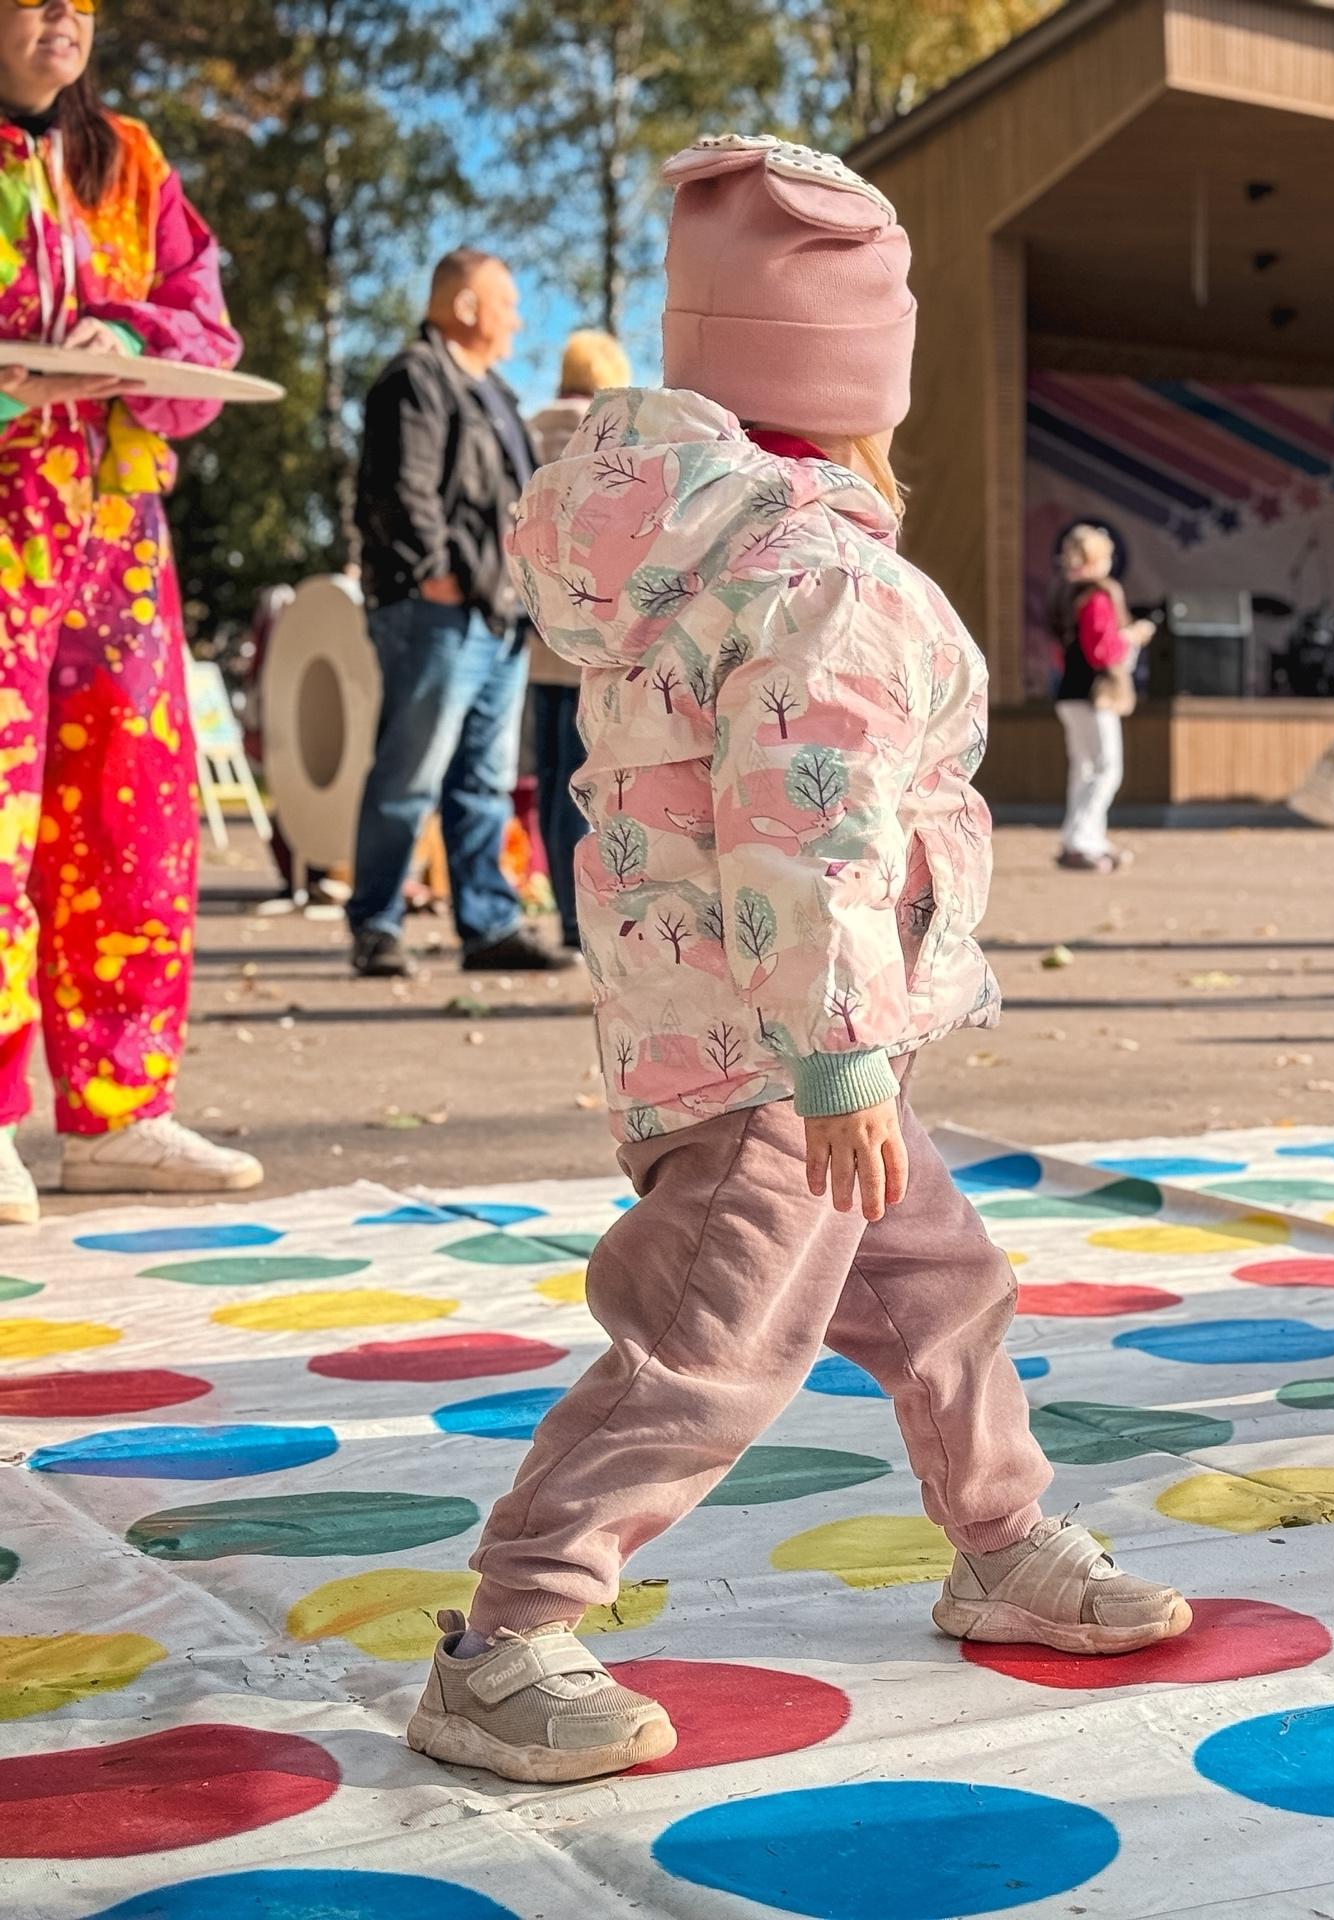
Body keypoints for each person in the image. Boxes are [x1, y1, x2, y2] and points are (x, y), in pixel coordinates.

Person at [410, 135, 1189, 1787]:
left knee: (941, 1294)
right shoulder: (816, 570)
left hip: (754, 1035)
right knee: (708, 1343)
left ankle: (1000, 1541)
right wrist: (838, 1057)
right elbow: (804, 825)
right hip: (784, 1065)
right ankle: (511, 1633)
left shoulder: (678, 546)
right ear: (854, 383)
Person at [0, 1, 261, 1220]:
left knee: (132, 809)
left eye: (81, 0)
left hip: (115, 529)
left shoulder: (130, 160)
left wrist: (127, 333)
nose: (63, 13)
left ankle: (117, 1110)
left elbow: (206, 329)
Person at [347, 247, 569, 979]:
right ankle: (376, 924)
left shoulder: (495, 392)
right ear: (468, 307)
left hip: (495, 615)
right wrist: (434, 576)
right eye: (506, 303)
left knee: (483, 780)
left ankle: (488, 923)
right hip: (436, 613)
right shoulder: (416, 377)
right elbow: (399, 489)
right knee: (410, 773)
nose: (518, 318)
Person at [522, 328, 632, 949]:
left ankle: (562, 911)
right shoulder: (609, 436)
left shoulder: (527, 433)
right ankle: (587, 916)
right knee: (595, 782)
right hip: (598, 637)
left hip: (540, 640)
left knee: (550, 779)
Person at [1049, 522, 1151, 873]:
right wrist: (1133, 637)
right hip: (1096, 694)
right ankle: (1082, 839)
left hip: (1069, 692)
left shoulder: (1062, 594)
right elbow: (1102, 652)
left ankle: (1084, 837)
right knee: (1107, 768)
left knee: (1084, 768)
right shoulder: (1097, 596)